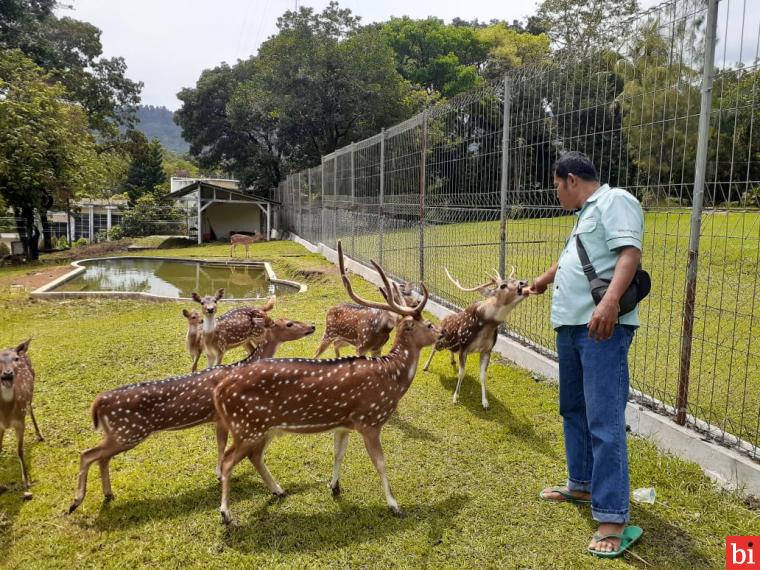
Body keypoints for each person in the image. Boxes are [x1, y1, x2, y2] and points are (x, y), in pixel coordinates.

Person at [525, 151, 644, 558]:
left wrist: (609, 304)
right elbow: (575, 260)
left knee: (604, 419)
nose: (556, 193)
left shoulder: (615, 201)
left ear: (571, 179)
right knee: (573, 408)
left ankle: (612, 516)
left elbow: (629, 254)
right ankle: (582, 483)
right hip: (572, 326)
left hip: (600, 329)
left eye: (556, 186)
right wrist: (541, 282)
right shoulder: (584, 215)